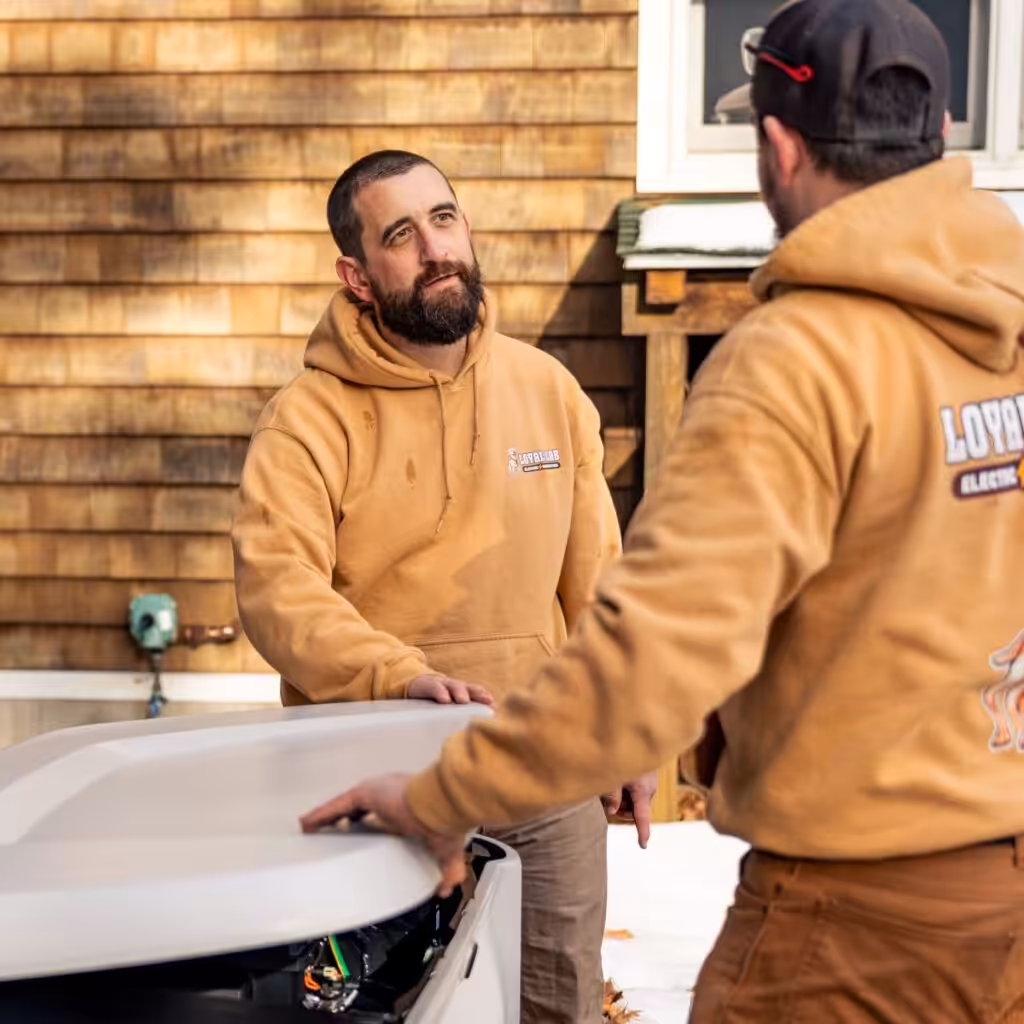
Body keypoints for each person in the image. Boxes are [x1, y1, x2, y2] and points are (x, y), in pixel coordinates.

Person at [299, 3, 1024, 1021]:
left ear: (774, 144)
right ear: (939, 136)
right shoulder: (1006, 327)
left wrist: (435, 799)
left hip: (857, 931)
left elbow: (650, 651)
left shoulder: (800, 360)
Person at [231, 149, 655, 1024]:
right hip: (375, 780)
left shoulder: (550, 392)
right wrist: (398, 674)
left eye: (445, 219)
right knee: (389, 1012)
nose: (435, 249)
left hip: (542, 768)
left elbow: (601, 588)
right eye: (401, 234)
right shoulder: (306, 422)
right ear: (356, 275)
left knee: (555, 1007)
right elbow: (279, 588)